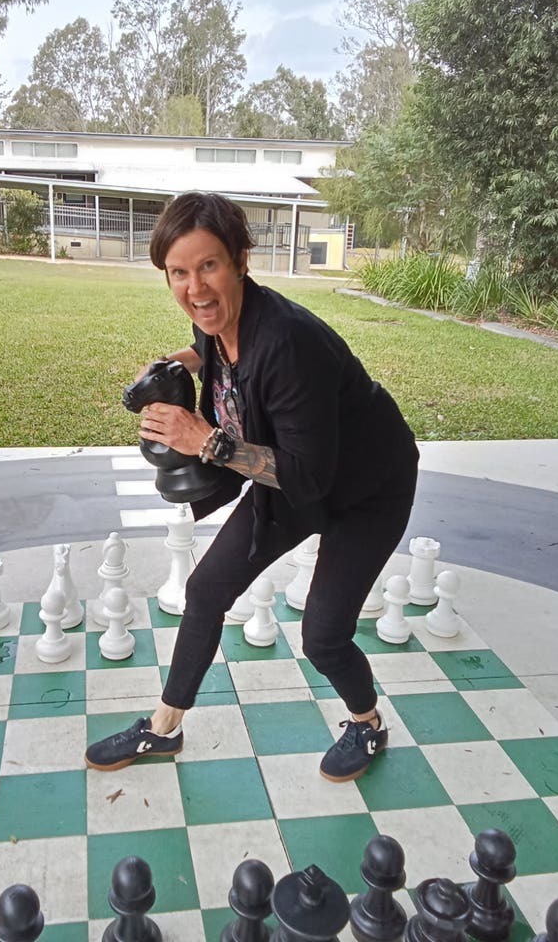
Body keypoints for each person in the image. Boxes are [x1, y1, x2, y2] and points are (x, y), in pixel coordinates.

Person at [85, 192, 419, 782]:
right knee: (207, 588)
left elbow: (309, 475)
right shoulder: (211, 311)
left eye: (208, 266)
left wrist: (205, 440)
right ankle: (164, 730)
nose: (195, 289)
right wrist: (183, 361)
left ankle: (368, 724)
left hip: (367, 488)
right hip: (290, 466)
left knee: (323, 635)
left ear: (241, 259)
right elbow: (213, 341)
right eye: (179, 273)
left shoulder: (289, 344)